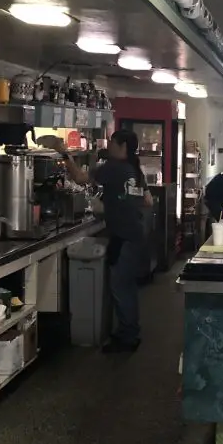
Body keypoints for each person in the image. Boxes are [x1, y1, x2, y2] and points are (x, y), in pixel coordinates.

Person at [57, 130, 153, 353]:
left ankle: (128, 337)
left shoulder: (113, 167)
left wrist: (64, 154)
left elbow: (80, 178)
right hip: (136, 234)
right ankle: (129, 331)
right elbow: (147, 200)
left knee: (120, 287)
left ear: (121, 147)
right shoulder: (134, 169)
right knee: (127, 286)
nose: (109, 146)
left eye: (112, 143)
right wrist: (119, 201)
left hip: (123, 236)